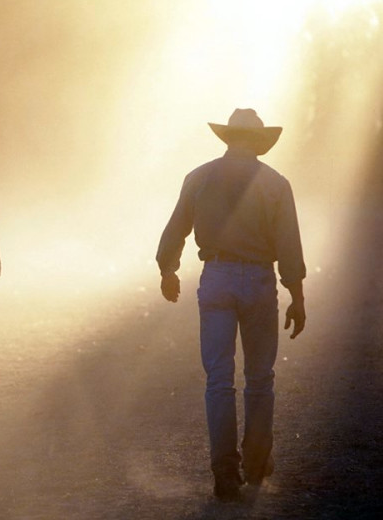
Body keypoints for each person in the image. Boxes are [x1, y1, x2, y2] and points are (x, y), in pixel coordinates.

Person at [156, 108, 306, 502]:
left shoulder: (199, 177)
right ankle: (257, 461)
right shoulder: (275, 184)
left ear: (227, 139)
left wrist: (167, 270)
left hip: (217, 277)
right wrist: (297, 295)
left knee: (219, 380)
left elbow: (176, 230)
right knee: (260, 377)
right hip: (259, 280)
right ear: (257, 143)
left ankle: (225, 469)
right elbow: (289, 244)